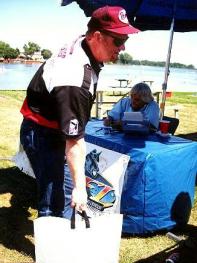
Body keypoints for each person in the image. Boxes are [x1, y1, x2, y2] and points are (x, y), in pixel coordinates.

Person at [19, 6, 140, 218]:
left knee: (65, 187)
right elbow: (74, 141)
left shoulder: (85, 43)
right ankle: (53, 240)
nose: (122, 48)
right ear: (97, 36)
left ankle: (64, 229)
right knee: (55, 194)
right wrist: (80, 189)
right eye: (118, 41)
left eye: (125, 41)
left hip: (53, 125)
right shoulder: (73, 79)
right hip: (41, 131)